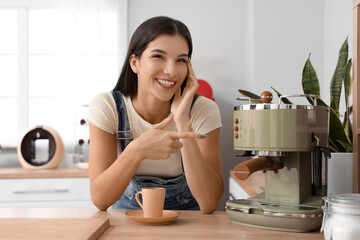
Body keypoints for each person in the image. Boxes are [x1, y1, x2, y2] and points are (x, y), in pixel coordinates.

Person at [88, 16, 223, 214]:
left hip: (189, 222)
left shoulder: (204, 110)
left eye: (181, 60)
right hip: (127, 220)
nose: (171, 71)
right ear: (135, 63)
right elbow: (100, 200)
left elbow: (210, 203)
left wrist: (183, 120)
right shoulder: (107, 107)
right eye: (158, 56)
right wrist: (137, 150)